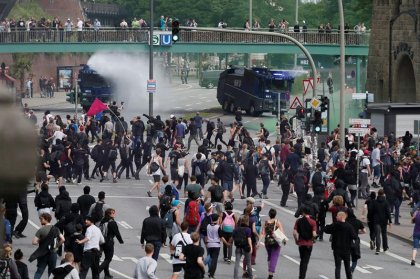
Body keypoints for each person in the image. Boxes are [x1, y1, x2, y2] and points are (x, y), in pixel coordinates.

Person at [29, 213, 64, 279]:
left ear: (46, 219)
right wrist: (56, 246)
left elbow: (34, 242)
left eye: (41, 219)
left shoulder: (41, 230)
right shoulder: (56, 229)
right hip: (53, 253)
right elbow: (62, 239)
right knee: (51, 272)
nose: (40, 221)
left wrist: (41, 241)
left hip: (43, 253)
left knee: (39, 271)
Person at [324, 211, 357, 279]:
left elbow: (326, 230)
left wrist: (328, 225)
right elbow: (355, 236)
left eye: (337, 216)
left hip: (337, 249)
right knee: (347, 267)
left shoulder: (335, 225)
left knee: (338, 267)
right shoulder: (349, 226)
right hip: (347, 250)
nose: (336, 217)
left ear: (341, 217)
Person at [259, 208, 285, 279]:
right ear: (275, 215)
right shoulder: (277, 222)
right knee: (274, 257)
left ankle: (270, 271)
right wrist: (283, 240)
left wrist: (258, 242)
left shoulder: (266, 222)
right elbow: (282, 233)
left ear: (269, 214)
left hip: (267, 242)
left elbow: (262, 233)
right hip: (276, 242)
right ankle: (271, 274)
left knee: (270, 256)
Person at [99, 208, 124, 279]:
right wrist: (121, 241)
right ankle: (98, 270)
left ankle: (107, 274)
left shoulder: (103, 220)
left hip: (103, 241)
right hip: (109, 242)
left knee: (107, 258)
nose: (114, 214)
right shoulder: (112, 222)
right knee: (109, 258)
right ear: (109, 214)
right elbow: (117, 233)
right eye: (113, 213)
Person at [293, 206, 317, 279]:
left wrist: (296, 240)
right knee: (305, 261)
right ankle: (302, 276)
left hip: (301, 243)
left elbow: (294, 232)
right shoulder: (313, 222)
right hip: (309, 244)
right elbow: (314, 234)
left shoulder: (298, 221)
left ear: (303, 212)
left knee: (302, 259)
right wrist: (313, 240)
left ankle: (301, 275)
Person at [371, 189, 392, 255]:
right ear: (383, 194)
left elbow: (371, 211)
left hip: (376, 220)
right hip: (384, 220)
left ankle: (378, 249)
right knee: (384, 234)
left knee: (377, 234)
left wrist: (371, 218)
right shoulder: (386, 202)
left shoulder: (374, 202)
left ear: (378, 194)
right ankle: (385, 247)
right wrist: (390, 221)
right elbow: (388, 212)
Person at [232, 215, 253, 279]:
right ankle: (250, 277)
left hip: (238, 247)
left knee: (237, 263)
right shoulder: (248, 229)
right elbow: (249, 239)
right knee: (248, 263)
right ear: (247, 221)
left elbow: (232, 238)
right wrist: (251, 247)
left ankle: (235, 277)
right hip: (246, 248)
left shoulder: (236, 229)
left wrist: (228, 243)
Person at [346, 209, 365, 273]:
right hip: (355, 240)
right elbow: (364, 231)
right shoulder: (358, 221)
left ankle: (348, 269)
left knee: (346, 256)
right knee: (355, 257)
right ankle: (352, 269)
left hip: (346, 240)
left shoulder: (345, 221)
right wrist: (357, 232)